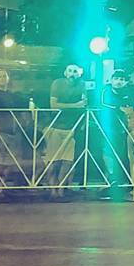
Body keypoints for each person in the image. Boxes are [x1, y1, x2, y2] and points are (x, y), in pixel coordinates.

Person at [45, 64, 87, 198]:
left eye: (75, 71)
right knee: (54, 161)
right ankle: (53, 191)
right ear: (65, 72)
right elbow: (53, 105)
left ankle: (61, 190)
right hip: (55, 126)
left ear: (79, 74)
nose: (72, 73)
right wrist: (74, 106)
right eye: (70, 71)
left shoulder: (82, 84)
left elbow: (84, 103)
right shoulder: (57, 83)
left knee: (67, 161)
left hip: (71, 128)